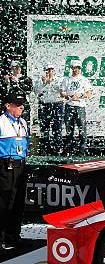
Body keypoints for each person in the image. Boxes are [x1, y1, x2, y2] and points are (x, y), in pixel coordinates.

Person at [0, 90, 29, 251]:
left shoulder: (23, 123)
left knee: (18, 202)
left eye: (22, 104)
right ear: (8, 106)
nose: (21, 107)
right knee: (4, 202)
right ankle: (1, 238)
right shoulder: (1, 122)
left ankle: (13, 236)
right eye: (18, 105)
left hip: (20, 165)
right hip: (5, 165)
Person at [60, 60, 93, 156]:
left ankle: (82, 151)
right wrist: (68, 95)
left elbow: (89, 94)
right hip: (69, 106)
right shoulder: (67, 79)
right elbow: (61, 92)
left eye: (77, 68)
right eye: (74, 68)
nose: (75, 70)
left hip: (80, 107)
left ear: (80, 69)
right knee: (69, 129)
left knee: (82, 129)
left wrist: (80, 95)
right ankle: (69, 150)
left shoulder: (84, 80)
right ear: (71, 68)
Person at [33, 63, 64, 155]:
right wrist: (44, 83)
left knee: (57, 128)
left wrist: (50, 82)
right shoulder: (40, 81)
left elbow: (61, 90)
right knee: (44, 128)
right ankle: (45, 149)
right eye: (47, 70)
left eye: (51, 70)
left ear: (54, 71)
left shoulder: (59, 80)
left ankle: (57, 149)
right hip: (44, 105)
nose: (49, 72)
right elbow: (36, 92)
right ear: (44, 71)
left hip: (57, 105)